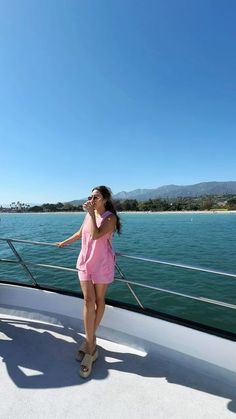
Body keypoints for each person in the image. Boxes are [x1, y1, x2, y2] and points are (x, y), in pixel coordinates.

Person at [57, 185, 121, 378]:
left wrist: (92, 213)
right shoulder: (88, 214)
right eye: (90, 197)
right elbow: (81, 233)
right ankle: (91, 342)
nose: (92, 200)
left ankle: (90, 347)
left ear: (105, 199)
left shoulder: (110, 218)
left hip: (102, 264)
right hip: (85, 262)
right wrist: (64, 242)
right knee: (87, 301)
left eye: (96, 197)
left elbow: (96, 234)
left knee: (99, 301)